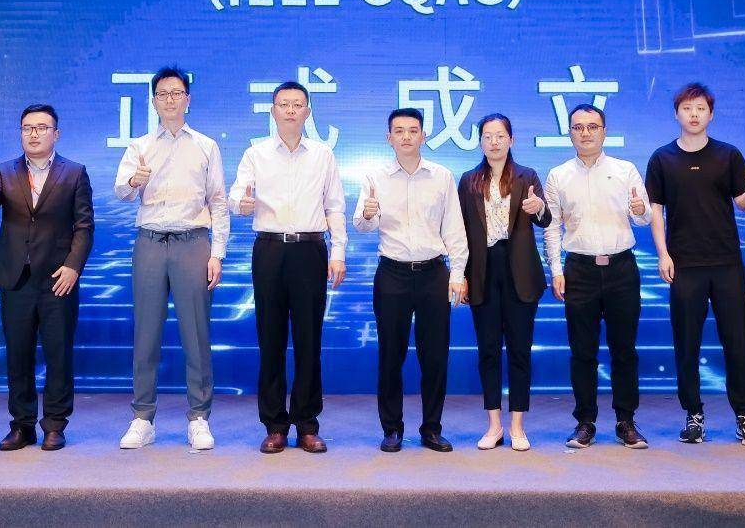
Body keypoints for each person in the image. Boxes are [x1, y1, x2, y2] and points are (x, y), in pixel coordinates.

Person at [113, 67, 229, 452]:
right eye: (162, 94)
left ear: (187, 100)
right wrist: (134, 181)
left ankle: (199, 417)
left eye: (176, 93)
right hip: (149, 242)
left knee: (196, 334)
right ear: (153, 101)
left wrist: (217, 253)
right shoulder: (140, 146)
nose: (169, 100)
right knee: (146, 332)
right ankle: (142, 417)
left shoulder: (205, 146)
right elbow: (121, 192)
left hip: (193, 242)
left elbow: (218, 202)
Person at [645, 82, 745, 447]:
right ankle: (693, 414)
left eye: (700, 108)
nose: (694, 114)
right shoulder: (662, 158)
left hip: (726, 263)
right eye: (687, 108)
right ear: (676, 114)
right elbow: (655, 210)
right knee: (687, 343)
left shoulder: (728, 154)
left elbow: (743, 203)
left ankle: (744, 415)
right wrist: (663, 254)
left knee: (737, 341)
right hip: (684, 265)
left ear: (711, 114)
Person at [229, 81, 346, 454]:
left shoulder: (323, 155)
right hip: (269, 250)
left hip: (310, 249)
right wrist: (241, 204)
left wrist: (338, 251)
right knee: (271, 339)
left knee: (309, 340)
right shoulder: (256, 153)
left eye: (298, 104)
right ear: (273, 110)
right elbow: (236, 195)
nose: (291, 110)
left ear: (308, 111)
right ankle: (275, 425)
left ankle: (307, 425)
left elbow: (335, 206)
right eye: (284, 104)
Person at [0, 104, 94, 452]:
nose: (34, 134)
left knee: (59, 354)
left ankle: (55, 424)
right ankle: (22, 425)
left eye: (42, 128)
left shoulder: (74, 172)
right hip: (16, 278)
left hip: (58, 278)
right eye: (28, 128)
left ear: (56, 134)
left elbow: (84, 226)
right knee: (18, 354)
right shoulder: (4, 170)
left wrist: (73, 266)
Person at [354, 108, 469, 453]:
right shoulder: (375, 177)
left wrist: (458, 274)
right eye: (399, 131)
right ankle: (392, 429)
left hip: (434, 273)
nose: (406, 136)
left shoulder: (441, 176)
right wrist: (367, 215)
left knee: (435, 357)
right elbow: (362, 225)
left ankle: (431, 429)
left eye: (413, 130)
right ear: (388, 137)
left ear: (423, 136)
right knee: (391, 355)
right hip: (392, 274)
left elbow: (454, 228)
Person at [543, 103, 650, 450]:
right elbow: (552, 227)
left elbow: (644, 217)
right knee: (582, 351)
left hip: (621, 269)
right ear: (570, 133)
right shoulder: (558, 175)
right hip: (580, 270)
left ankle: (626, 421)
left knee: (624, 350)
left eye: (592, 126)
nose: (585, 133)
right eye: (578, 127)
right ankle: (585, 422)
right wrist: (556, 270)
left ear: (604, 131)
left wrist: (640, 211)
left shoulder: (625, 169)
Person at [456, 113, 549, 452]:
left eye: (500, 136)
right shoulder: (468, 180)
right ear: (480, 141)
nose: (494, 142)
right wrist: (460, 275)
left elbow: (545, 219)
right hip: (483, 270)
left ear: (511, 140)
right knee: (489, 350)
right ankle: (494, 425)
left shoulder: (527, 176)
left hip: (520, 269)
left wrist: (539, 207)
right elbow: (460, 231)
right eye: (487, 136)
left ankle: (517, 425)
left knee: (520, 350)